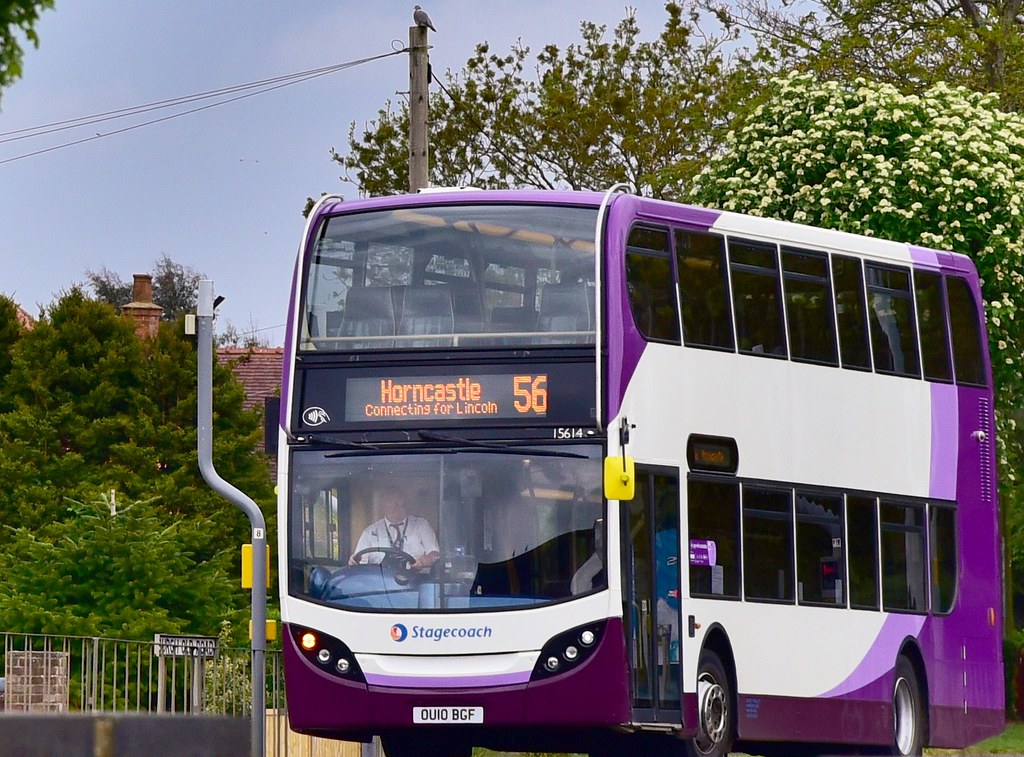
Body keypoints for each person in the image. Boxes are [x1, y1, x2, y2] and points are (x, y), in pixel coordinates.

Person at [349, 482, 439, 571]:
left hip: (415, 579)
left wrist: (422, 562)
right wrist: (354, 561)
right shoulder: (369, 532)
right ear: (383, 506)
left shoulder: (421, 525)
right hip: (378, 582)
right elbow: (359, 564)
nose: (397, 507)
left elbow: (435, 554)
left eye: (400, 503)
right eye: (391, 503)